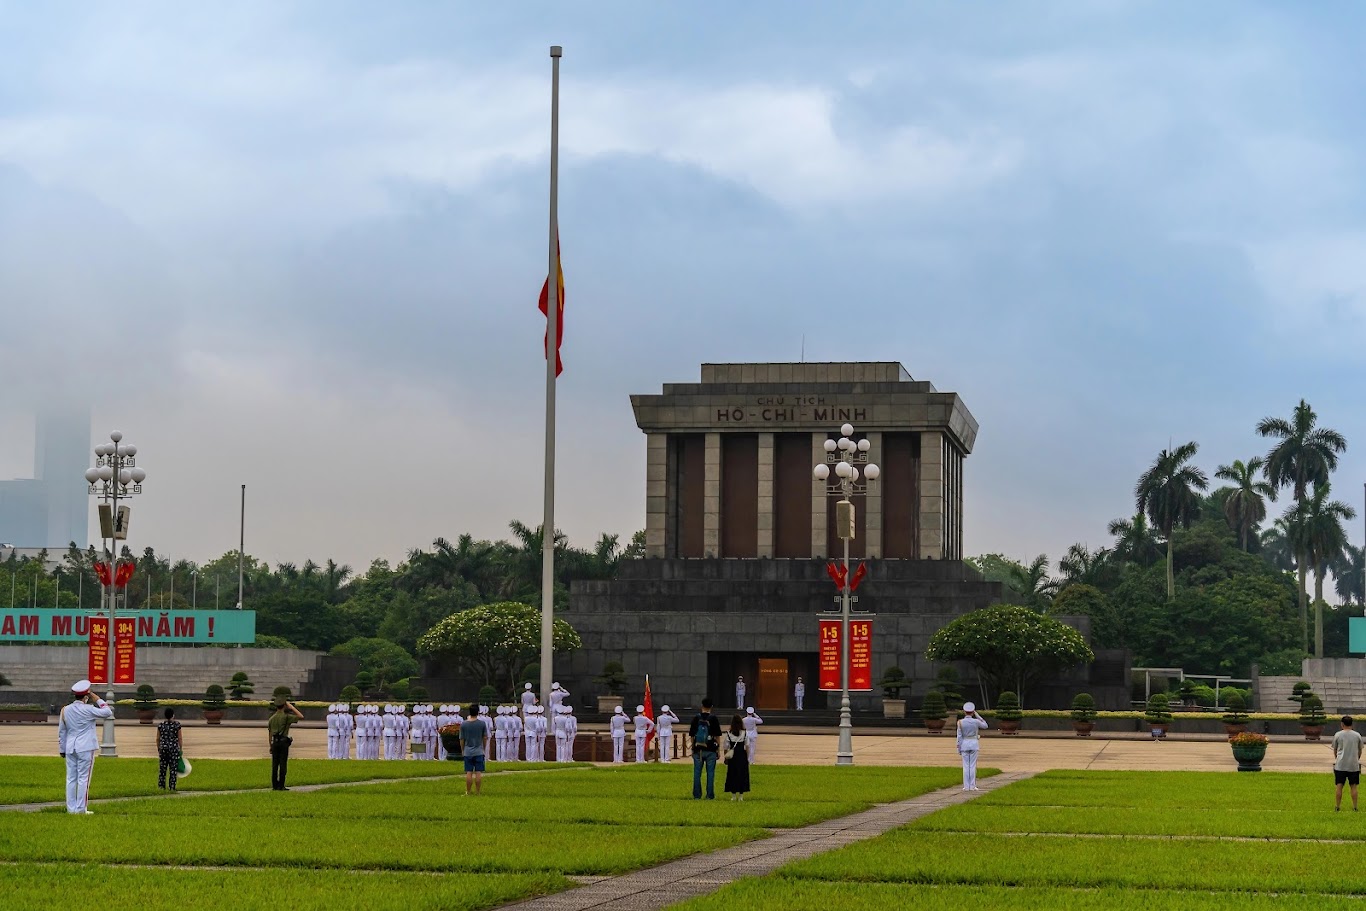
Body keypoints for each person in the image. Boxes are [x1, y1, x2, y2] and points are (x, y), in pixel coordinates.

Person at [57, 679, 113, 814]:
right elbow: (107, 712)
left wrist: (62, 749)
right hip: (85, 747)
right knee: (83, 779)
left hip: (70, 747)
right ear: (86, 696)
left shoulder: (65, 710)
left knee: (71, 778)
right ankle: (81, 809)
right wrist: (98, 699)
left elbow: (62, 731)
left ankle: (71, 809)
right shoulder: (89, 709)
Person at [689, 698, 722, 800]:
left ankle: (697, 795)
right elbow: (717, 736)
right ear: (711, 707)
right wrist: (718, 750)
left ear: (702, 706)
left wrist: (693, 746)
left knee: (697, 773)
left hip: (698, 750)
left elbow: (692, 735)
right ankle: (710, 795)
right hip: (711, 749)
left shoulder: (696, 718)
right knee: (710, 773)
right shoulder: (713, 719)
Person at [268, 697, 304, 790]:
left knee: (275, 765)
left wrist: (271, 746)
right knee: (283, 764)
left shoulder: (272, 718)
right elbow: (301, 716)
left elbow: (270, 734)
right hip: (283, 743)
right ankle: (281, 785)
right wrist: (291, 707)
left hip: (275, 743)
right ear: (284, 706)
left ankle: (275, 786)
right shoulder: (286, 717)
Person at [956, 701, 989, 791]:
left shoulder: (960, 722)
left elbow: (959, 736)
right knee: (973, 765)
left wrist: (958, 748)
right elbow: (985, 725)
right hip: (974, 743)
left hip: (964, 744)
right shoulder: (976, 721)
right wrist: (977, 715)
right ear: (972, 712)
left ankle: (966, 786)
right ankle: (972, 785)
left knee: (966, 766)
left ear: (964, 711)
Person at [1334, 715, 1363, 811]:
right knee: (1353, 786)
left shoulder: (1338, 734)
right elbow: (1360, 750)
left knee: (1339, 786)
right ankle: (1355, 807)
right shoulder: (1357, 735)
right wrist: (1356, 759)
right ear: (1352, 724)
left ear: (1342, 724)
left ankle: (1337, 806)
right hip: (1353, 765)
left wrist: (1337, 759)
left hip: (1340, 764)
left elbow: (1335, 749)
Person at [460, 705, 489, 795]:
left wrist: (462, 750)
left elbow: (462, 739)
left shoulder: (464, 724)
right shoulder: (481, 724)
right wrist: (483, 748)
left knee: (469, 772)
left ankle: (468, 792)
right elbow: (484, 737)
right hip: (478, 750)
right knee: (478, 772)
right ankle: (478, 792)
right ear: (478, 712)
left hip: (468, 751)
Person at [722, 714, 751, 801]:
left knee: (732, 774)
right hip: (742, 755)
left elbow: (725, 747)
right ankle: (741, 796)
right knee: (742, 775)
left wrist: (726, 757)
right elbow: (747, 746)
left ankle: (733, 795)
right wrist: (747, 758)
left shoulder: (728, 734)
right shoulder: (744, 733)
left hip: (733, 756)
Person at [156, 707, 184, 791]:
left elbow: (157, 738)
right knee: (173, 769)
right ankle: (172, 787)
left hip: (163, 749)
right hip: (173, 749)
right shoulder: (177, 725)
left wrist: (159, 748)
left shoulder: (161, 725)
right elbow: (180, 738)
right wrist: (180, 748)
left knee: (163, 769)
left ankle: (161, 786)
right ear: (173, 715)